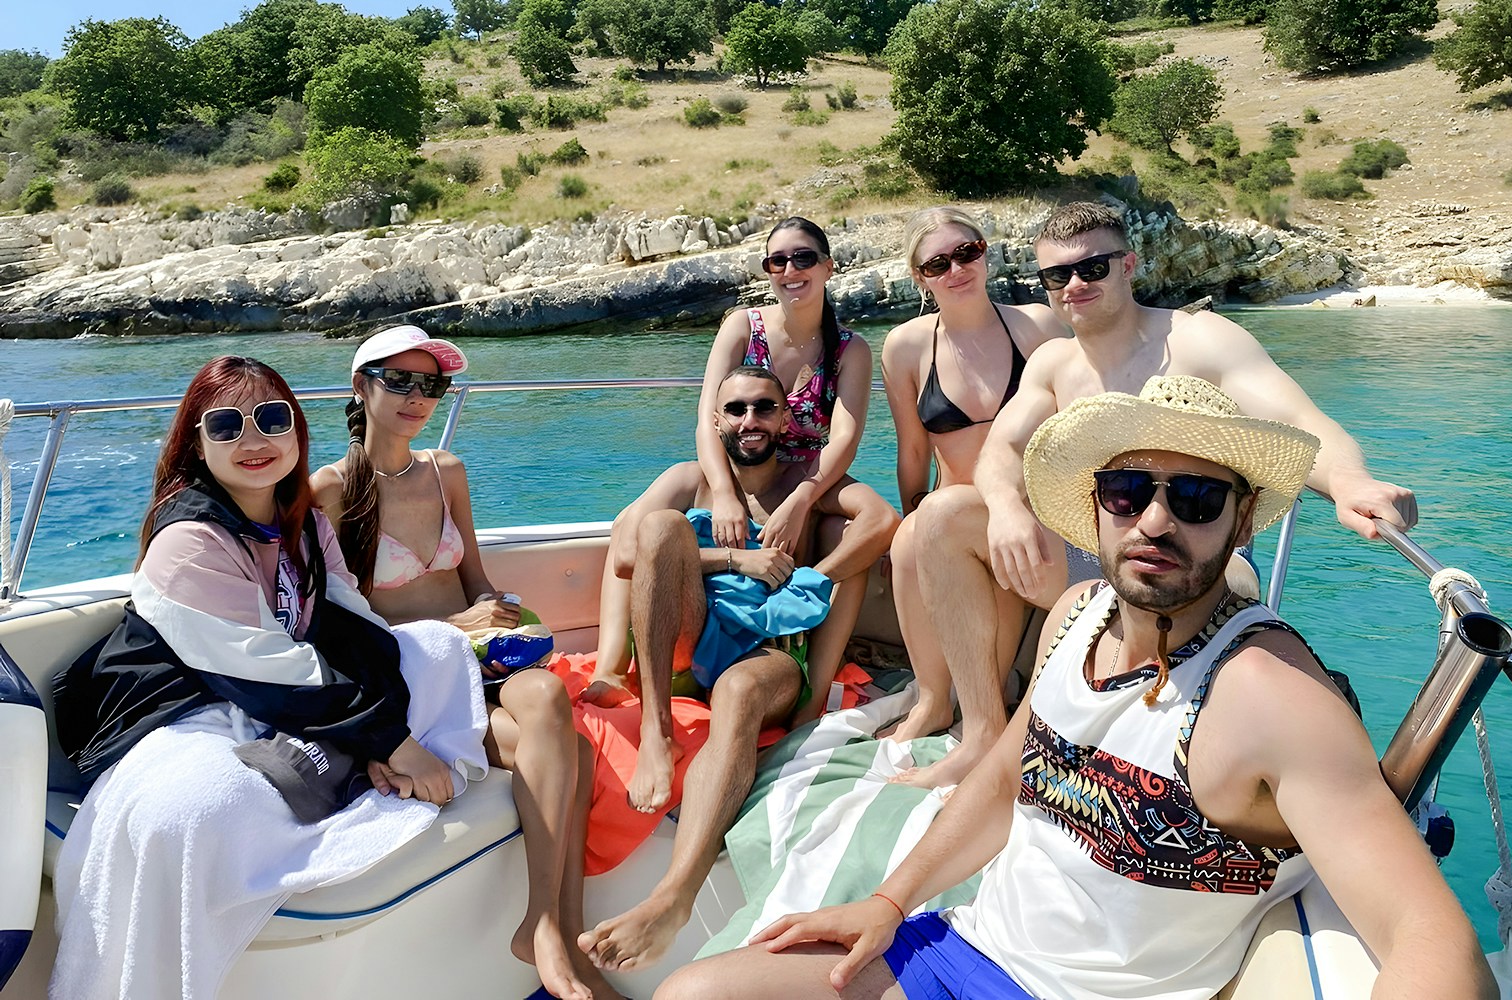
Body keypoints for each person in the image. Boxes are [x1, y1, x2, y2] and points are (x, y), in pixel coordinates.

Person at [655, 375, 1494, 1000]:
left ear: (1240, 522)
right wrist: (888, 899)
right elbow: (1003, 773)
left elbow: (1434, 940)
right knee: (691, 994)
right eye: (1129, 492)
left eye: (1195, 496)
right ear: (1096, 510)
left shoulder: (1270, 696)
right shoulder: (1075, 616)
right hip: (960, 947)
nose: (1155, 521)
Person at [903, 200, 1421, 789]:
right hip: (1094, 552)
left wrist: (1349, 481)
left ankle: (1196, 757)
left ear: (1128, 265)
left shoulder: (1199, 340)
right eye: (1056, 276)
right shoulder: (1054, 362)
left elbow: (1299, 419)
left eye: (1092, 268)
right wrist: (1004, 509)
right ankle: (982, 738)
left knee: (1236, 592)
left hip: (1196, 553)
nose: (1074, 285)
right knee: (942, 514)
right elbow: (1002, 451)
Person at [52, 356, 487, 1000]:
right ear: (196, 444)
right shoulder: (188, 541)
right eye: (225, 424)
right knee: (194, 808)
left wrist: (384, 731)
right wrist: (396, 743)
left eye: (271, 418)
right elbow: (267, 673)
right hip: (178, 706)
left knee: (435, 646)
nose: (252, 440)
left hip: (272, 693)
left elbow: (355, 625)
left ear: (297, 430)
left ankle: (353, 768)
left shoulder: (304, 523)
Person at [310, 327, 612, 1000]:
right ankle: (556, 938)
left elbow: (476, 576)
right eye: (400, 381)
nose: (418, 398)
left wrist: (495, 611)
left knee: (549, 709)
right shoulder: (329, 492)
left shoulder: (446, 472)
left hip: (484, 663)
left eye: (432, 385)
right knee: (574, 752)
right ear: (361, 387)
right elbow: (339, 631)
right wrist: (453, 625)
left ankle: (548, 929)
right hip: (418, 680)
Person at [575, 366, 899, 974]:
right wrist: (737, 559)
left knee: (741, 689)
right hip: (690, 633)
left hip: (766, 652)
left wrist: (811, 575)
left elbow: (881, 521)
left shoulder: (804, 482)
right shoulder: (690, 480)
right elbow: (625, 554)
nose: (751, 421)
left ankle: (674, 897)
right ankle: (656, 730)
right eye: (737, 410)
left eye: (764, 408)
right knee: (662, 528)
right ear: (717, 420)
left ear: (785, 418)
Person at [590, 216, 893, 812]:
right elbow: (710, 414)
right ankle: (611, 666)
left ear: (828, 266)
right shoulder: (743, 327)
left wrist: (806, 500)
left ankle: (810, 694)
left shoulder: (850, 349)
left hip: (805, 479)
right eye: (775, 261)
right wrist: (724, 493)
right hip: (733, 471)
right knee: (648, 524)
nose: (789, 272)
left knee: (846, 535)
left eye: (803, 259)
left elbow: (845, 436)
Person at [878, 206, 1067, 743]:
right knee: (913, 536)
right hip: (951, 504)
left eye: (968, 253)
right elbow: (912, 450)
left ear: (986, 252)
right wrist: (909, 511)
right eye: (938, 263)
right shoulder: (907, 347)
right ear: (920, 277)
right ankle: (934, 700)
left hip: (1029, 508)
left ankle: (986, 705)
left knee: (987, 532)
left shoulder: (1037, 327)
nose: (957, 269)